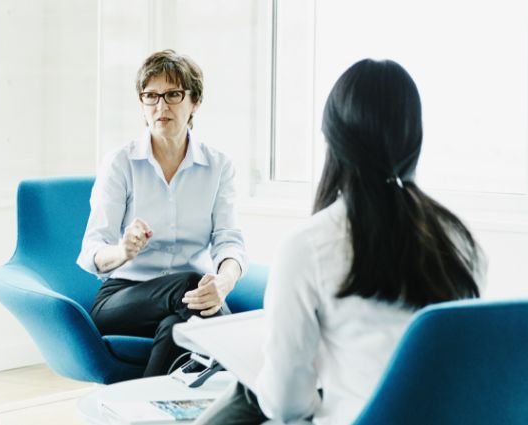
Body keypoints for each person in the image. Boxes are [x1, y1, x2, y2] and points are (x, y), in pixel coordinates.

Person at [197, 59, 485, 425]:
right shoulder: (458, 241)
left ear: (331, 140)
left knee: (251, 390)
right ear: (415, 138)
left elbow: (286, 406)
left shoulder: (309, 246)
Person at [77, 49, 247, 377]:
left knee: (177, 325)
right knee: (191, 284)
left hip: (191, 301)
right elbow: (92, 250)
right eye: (151, 96)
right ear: (142, 103)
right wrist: (123, 251)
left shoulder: (218, 166)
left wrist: (224, 283)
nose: (161, 106)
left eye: (173, 94)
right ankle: (241, 364)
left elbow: (229, 241)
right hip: (123, 298)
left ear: (195, 101)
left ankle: (144, 404)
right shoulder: (120, 163)